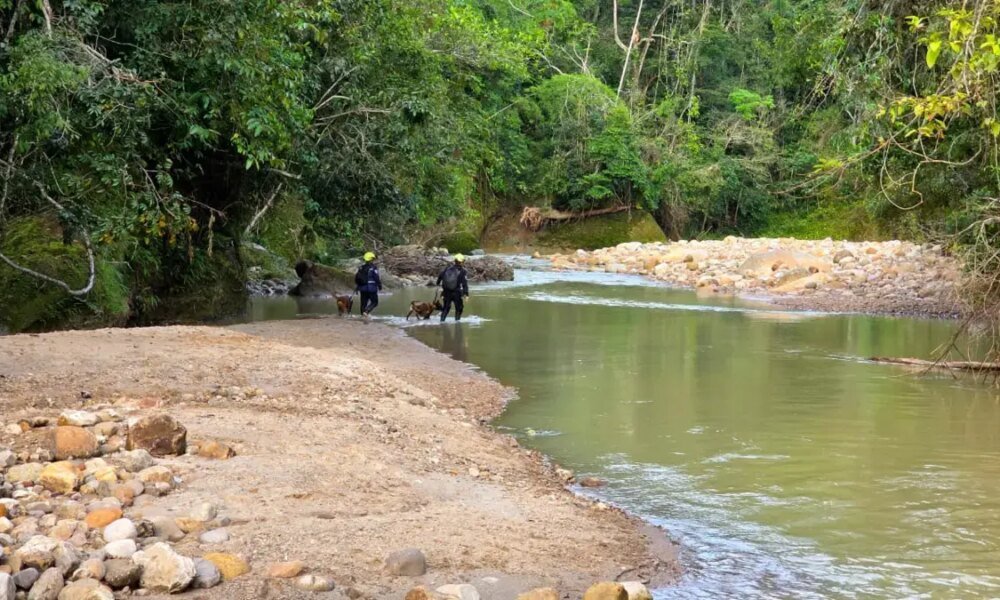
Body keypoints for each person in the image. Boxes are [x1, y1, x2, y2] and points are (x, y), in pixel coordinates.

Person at [436, 254, 469, 322]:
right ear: (461, 262)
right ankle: (457, 323)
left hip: (446, 292)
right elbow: (464, 284)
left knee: (446, 308)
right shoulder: (463, 271)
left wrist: (439, 286)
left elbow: (439, 279)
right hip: (456, 292)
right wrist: (466, 294)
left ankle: (442, 322)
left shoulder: (446, 269)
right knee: (459, 308)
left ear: (455, 261)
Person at [354, 251, 382, 317]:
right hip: (371, 288)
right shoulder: (373, 268)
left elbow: (357, 278)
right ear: (371, 259)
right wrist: (379, 285)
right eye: (373, 259)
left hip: (362, 288)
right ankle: (366, 311)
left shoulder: (361, 268)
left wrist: (358, 287)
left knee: (363, 303)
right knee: (375, 302)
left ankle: (362, 316)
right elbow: (376, 278)